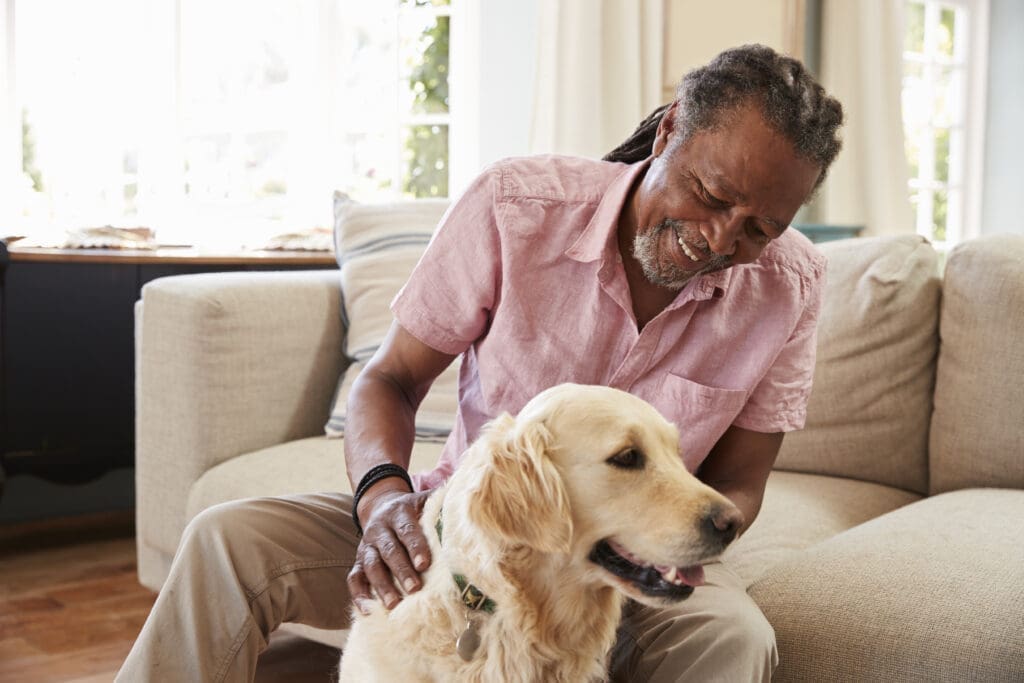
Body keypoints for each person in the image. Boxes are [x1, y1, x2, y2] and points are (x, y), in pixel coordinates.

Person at [118, 43, 843, 682]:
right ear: (667, 132)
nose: (717, 238)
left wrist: (641, 557)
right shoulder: (516, 207)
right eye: (708, 193)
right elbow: (390, 380)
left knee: (734, 639)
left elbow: (739, 484)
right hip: (461, 522)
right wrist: (382, 501)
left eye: (757, 228)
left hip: (633, 564)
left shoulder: (790, 285)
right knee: (227, 540)